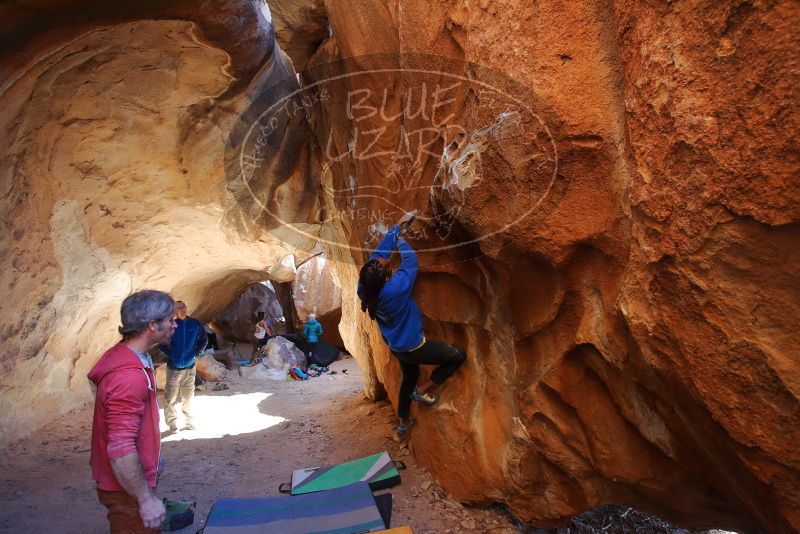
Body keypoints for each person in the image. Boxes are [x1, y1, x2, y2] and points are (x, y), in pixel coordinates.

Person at [357, 212, 467, 435]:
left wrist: (397, 227)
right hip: (415, 347)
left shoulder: (365, 289)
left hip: (397, 347)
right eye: (385, 264)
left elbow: (377, 255)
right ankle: (425, 390)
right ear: (387, 276)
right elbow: (410, 260)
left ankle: (403, 421)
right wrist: (400, 239)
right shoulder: (395, 289)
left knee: (408, 377)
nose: (383, 258)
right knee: (458, 355)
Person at [88, 289, 176, 532]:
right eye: (170, 319)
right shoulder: (128, 376)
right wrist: (145, 500)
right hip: (124, 489)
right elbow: (120, 447)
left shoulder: (129, 357)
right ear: (152, 325)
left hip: (124, 485)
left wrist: (152, 457)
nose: (175, 325)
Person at [160, 300, 207, 433]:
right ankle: (173, 425)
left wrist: (196, 353)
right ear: (174, 312)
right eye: (179, 308)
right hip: (174, 368)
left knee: (188, 397)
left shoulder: (195, 324)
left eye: (184, 307)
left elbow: (204, 339)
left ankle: (189, 422)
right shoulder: (171, 326)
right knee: (170, 398)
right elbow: (162, 342)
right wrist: (172, 354)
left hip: (190, 367)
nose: (182, 309)